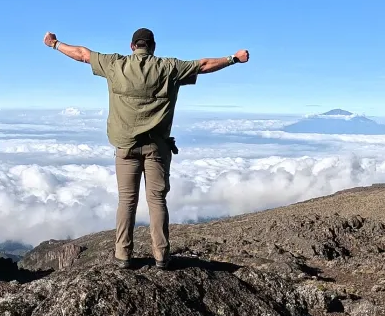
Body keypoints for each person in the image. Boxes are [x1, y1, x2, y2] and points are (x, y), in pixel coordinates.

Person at [43, 28, 249, 269]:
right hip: (157, 148)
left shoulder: (115, 64)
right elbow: (203, 65)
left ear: (132, 46)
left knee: (126, 201)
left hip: (125, 147)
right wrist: (233, 59)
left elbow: (82, 54)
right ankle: (161, 256)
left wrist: (55, 44)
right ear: (153, 47)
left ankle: (123, 255)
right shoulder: (169, 68)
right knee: (157, 200)